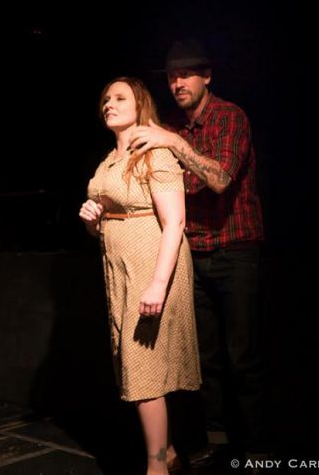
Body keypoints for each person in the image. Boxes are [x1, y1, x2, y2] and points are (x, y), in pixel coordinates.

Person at [128, 39, 267, 466]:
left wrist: (171, 144)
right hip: (195, 253)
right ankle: (216, 440)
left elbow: (221, 178)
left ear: (207, 76)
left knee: (241, 355)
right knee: (202, 357)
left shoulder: (229, 117)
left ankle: (257, 446)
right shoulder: (171, 124)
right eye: (171, 76)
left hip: (235, 250)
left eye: (186, 74)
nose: (177, 83)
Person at [80, 77, 200, 475]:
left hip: (152, 262)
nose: (108, 105)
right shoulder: (107, 162)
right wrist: (93, 221)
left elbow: (175, 221)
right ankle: (167, 454)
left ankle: (155, 467)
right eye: (105, 100)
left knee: (144, 368)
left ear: (140, 104)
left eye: (119, 98)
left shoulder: (155, 152)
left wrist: (158, 283)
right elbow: (108, 220)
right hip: (120, 268)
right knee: (131, 364)